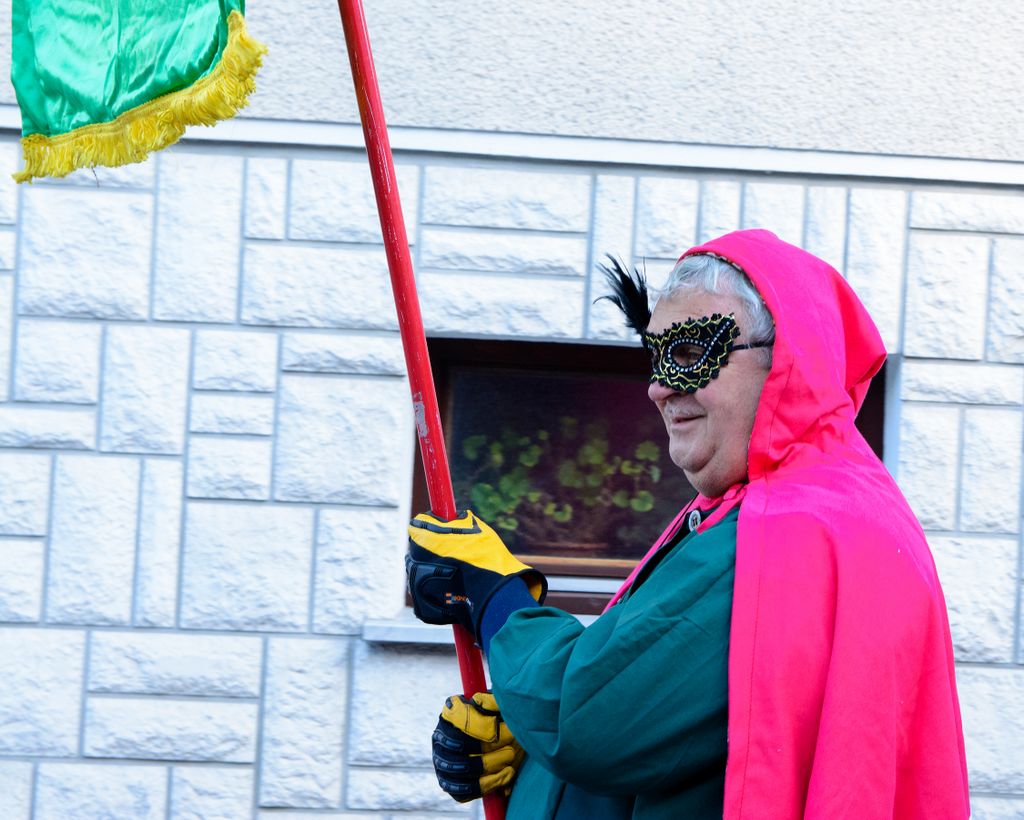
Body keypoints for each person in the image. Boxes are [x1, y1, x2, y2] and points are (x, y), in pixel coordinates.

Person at [405, 228, 970, 819]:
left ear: (785, 358)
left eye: (690, 352)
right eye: (655, 357)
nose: (658, 387)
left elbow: (587, 719)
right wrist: (533, 755)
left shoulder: (788, 533)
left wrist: (497, 597)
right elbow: (680, 728)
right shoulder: (814, 506)